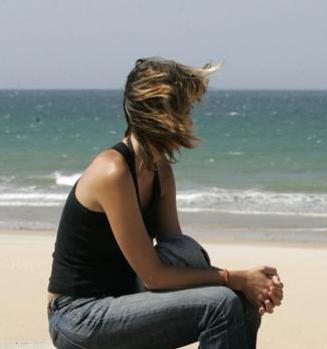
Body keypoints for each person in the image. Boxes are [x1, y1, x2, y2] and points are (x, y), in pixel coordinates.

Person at [47, 57, 284, 349]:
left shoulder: (161, 172)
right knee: (221, 304)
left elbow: (178, 257)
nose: (190, 120)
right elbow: (155, 276)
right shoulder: (113, 171)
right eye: (185, 110)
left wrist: (249, 285)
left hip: (124, 301)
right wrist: (235, 277)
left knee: (240, 302)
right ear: (162, 114)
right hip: (78, 316)